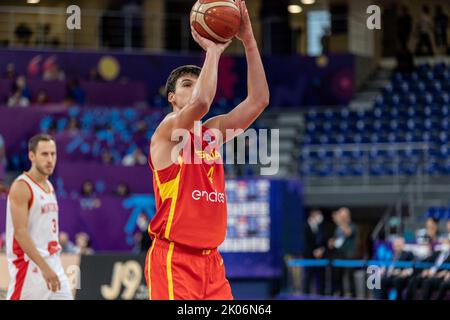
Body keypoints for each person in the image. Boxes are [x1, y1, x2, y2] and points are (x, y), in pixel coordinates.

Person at [145, 0, 269, 300]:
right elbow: (201, 103)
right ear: (172, 97)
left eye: (198, 82)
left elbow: (258, 101)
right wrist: (213, 50)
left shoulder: (211, 133)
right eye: (188, 83)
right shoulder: (167, 131)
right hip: (174, 259)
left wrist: (249, 41)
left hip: (212, 262)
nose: (195, 87)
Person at [5, 134, 73, 299]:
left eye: (53, 154)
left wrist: (52, 264)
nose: (50, 159)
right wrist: (44, 268)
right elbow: (20, 233)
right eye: (44, 154)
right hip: (30, 267)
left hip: (53, 263)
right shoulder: (21, 187)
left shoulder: (49, 185)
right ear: (31, 156)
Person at [328, 207, 358, 297]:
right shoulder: (338, 228)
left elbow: (348, 232)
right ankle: (340, 294)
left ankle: (353, 295)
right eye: (340, 215)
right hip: (339, 254)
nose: (341, 217)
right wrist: (332, 242)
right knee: (338, 276)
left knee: (350, 277)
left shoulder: (353, 226)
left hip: (350, 255)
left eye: (343, 215)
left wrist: (340, 222)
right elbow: (337, 239)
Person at [303, 209, 326, 295]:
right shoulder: (304, 226)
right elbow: (306, 242)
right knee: (308, 276)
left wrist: (320, 250)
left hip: (319, 256)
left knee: (320, 276)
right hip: (309, 255)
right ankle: (306, 294)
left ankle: (321, 294)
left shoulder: (320, 226)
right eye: (318, 215)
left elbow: (322, 240)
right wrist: (313, 251)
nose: (320, 217)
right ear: (312, 215)